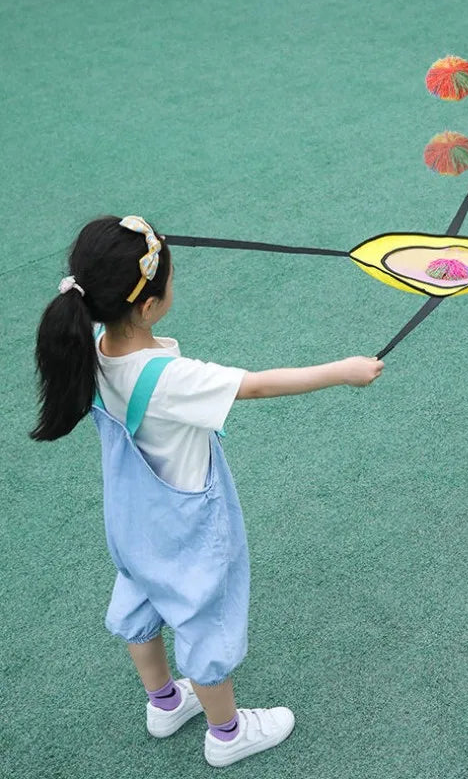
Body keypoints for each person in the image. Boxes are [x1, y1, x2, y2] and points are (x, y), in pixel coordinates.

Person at [31, 215, 384, 767]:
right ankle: (227, 734)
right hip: (186, 523)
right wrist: (343, 369)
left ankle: (165, 701)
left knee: (141, 601)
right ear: (148, 307)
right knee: (205, 618)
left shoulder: (92, 343)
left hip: (132, 520)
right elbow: (259, 384)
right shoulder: (169, 378)